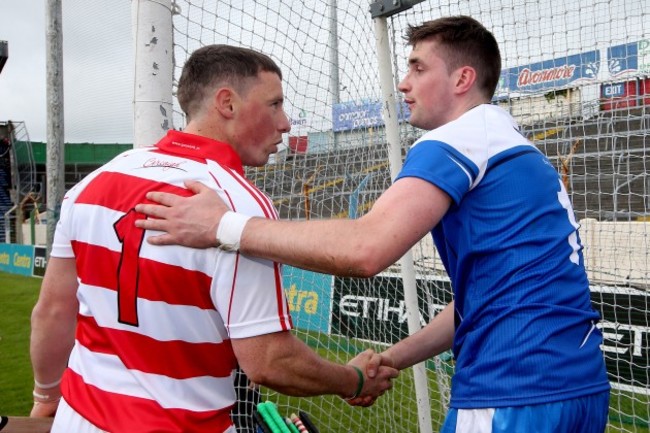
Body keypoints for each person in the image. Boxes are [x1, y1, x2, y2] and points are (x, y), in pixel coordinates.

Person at [134, 16, 611, 432]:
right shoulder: (518, 149)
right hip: (579, 387)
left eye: (419, 68)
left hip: (514, 388)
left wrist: (225, 226)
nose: (404, 83)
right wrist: (389, 360)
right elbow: (478, 303)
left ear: (463, 78)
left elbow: (365, 248)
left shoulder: (461, 138)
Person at [29, 44, 398, 433]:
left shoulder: (93, 183)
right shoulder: (236, 204)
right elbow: (269, 361)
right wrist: (353, 379)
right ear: (227, 103)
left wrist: (46, 397)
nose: (286, 122)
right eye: (274, 104)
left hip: (77, 419)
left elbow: (53, 311)